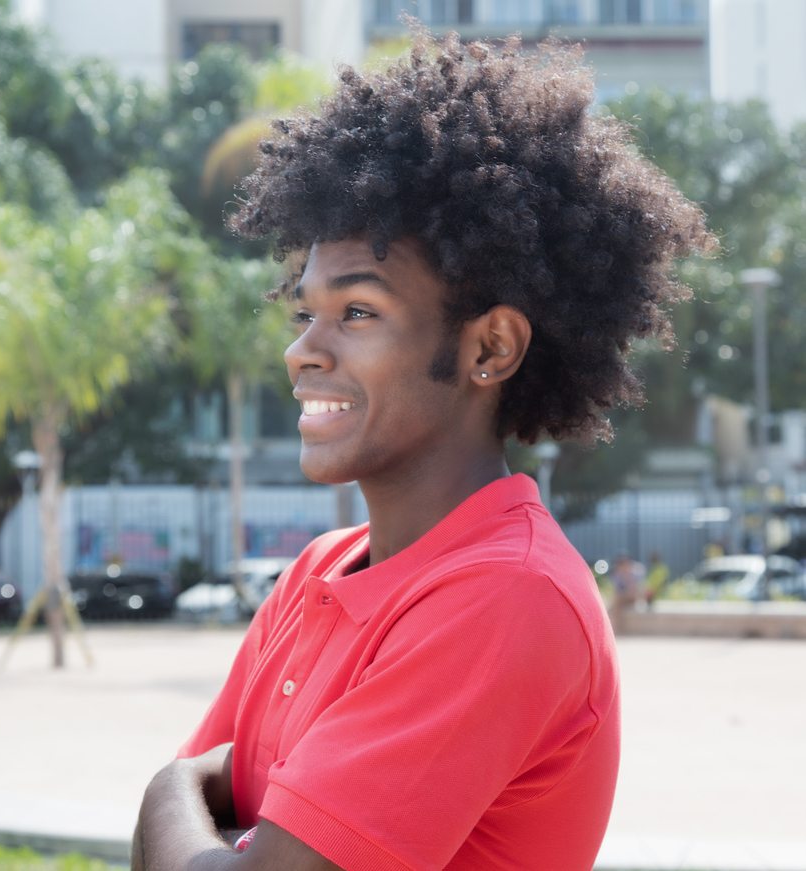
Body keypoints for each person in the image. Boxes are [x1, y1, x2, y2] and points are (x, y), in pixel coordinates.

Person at [133, 29, 714, 871]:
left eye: (357, 312)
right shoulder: (318, 571)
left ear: (490, 349)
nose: (303, 350)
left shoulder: (505, 595)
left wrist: (165, 788)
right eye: (305, 313)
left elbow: (195, 826)